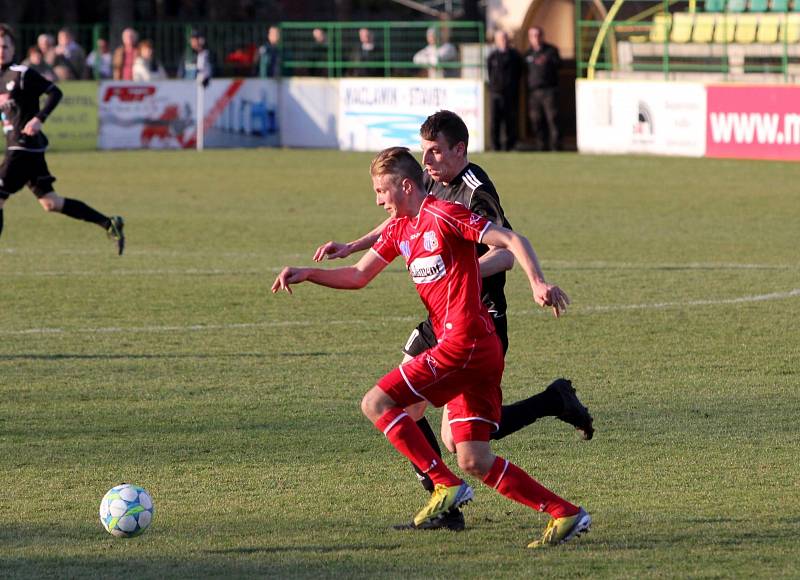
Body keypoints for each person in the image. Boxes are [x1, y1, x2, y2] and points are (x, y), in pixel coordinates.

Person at [273, 147, 592, 548]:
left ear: (405, 186)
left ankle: (443, 485)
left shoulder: (444, 214)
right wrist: (307, 274)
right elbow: (357, 277)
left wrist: (537, 283)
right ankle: (566, 513)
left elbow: (511, 239)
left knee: (376, 403)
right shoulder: (398, 229)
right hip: (474, 348)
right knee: (473, 457)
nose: (377, 200)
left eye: (380, 191)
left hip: (466, 344)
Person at [0, 24, 125, 254]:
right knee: (50, 203)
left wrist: (39, 118)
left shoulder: (22, 74)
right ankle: (109, 223)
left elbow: (55, 92)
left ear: (13, 48)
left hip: (23, 147)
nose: (1, 51)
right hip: (24, 149)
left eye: (5, 46)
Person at [524, 26, 561, 151]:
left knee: (553, 119)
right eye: (533, 36)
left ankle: (556, 146)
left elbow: (559, 66)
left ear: (542, 36)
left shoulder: (551, 51)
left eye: (538, 35)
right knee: (536, 120)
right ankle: (541, 146)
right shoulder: (527, 54)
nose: (536, 38)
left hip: (549, 91)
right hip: (534, 92)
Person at [487, 30, 523, 151]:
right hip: (495, 93)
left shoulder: (515, 56)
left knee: (510, 121)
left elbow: (520, 73)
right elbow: (489, 73)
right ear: (496, 41)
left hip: (510, 94)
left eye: (505, 38)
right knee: (495, 121)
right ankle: (495, 146)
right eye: (501, 39)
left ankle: (510, 145)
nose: (504, 41)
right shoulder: (492, 56)